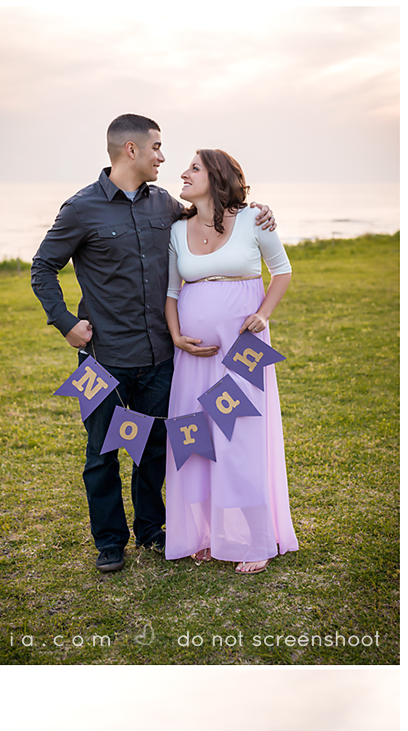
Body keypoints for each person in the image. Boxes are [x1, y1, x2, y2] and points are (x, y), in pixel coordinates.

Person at [30, 111, 276, 573]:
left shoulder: (164, 203)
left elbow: (214, 216)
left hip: (165, 356)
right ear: (132, 150)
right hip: (101, 358)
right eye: (157, 148)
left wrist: (258, 212)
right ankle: (109, 542)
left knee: (159, 445)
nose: (164, 157)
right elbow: (42, 267)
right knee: (101, 451)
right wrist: (64, 322)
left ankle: (152, 529)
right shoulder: (80, 209)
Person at [164, 153, 296, 570]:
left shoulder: (255, 218)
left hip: (242, 350)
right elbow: (171, 292)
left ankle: (257, 541)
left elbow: (282, 271)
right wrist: (176, 337)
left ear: (217, 177)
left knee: (241, 437)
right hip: (193, 352)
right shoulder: (177, 230)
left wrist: (264, 313)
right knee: (195, 437)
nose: (183, 174)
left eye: (194, 168)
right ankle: (202, 534)